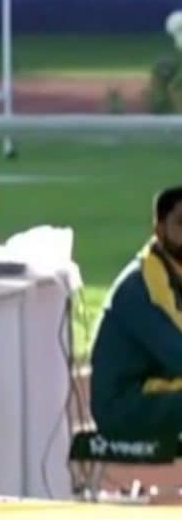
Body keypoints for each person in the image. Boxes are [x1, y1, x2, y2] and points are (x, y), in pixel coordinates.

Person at [89, 186, 182, 441]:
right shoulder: (140, 287)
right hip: (123, 407)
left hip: (155, 390)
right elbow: (177, 354)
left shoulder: (174, 275)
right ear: (159, 229)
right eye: (181, 223)